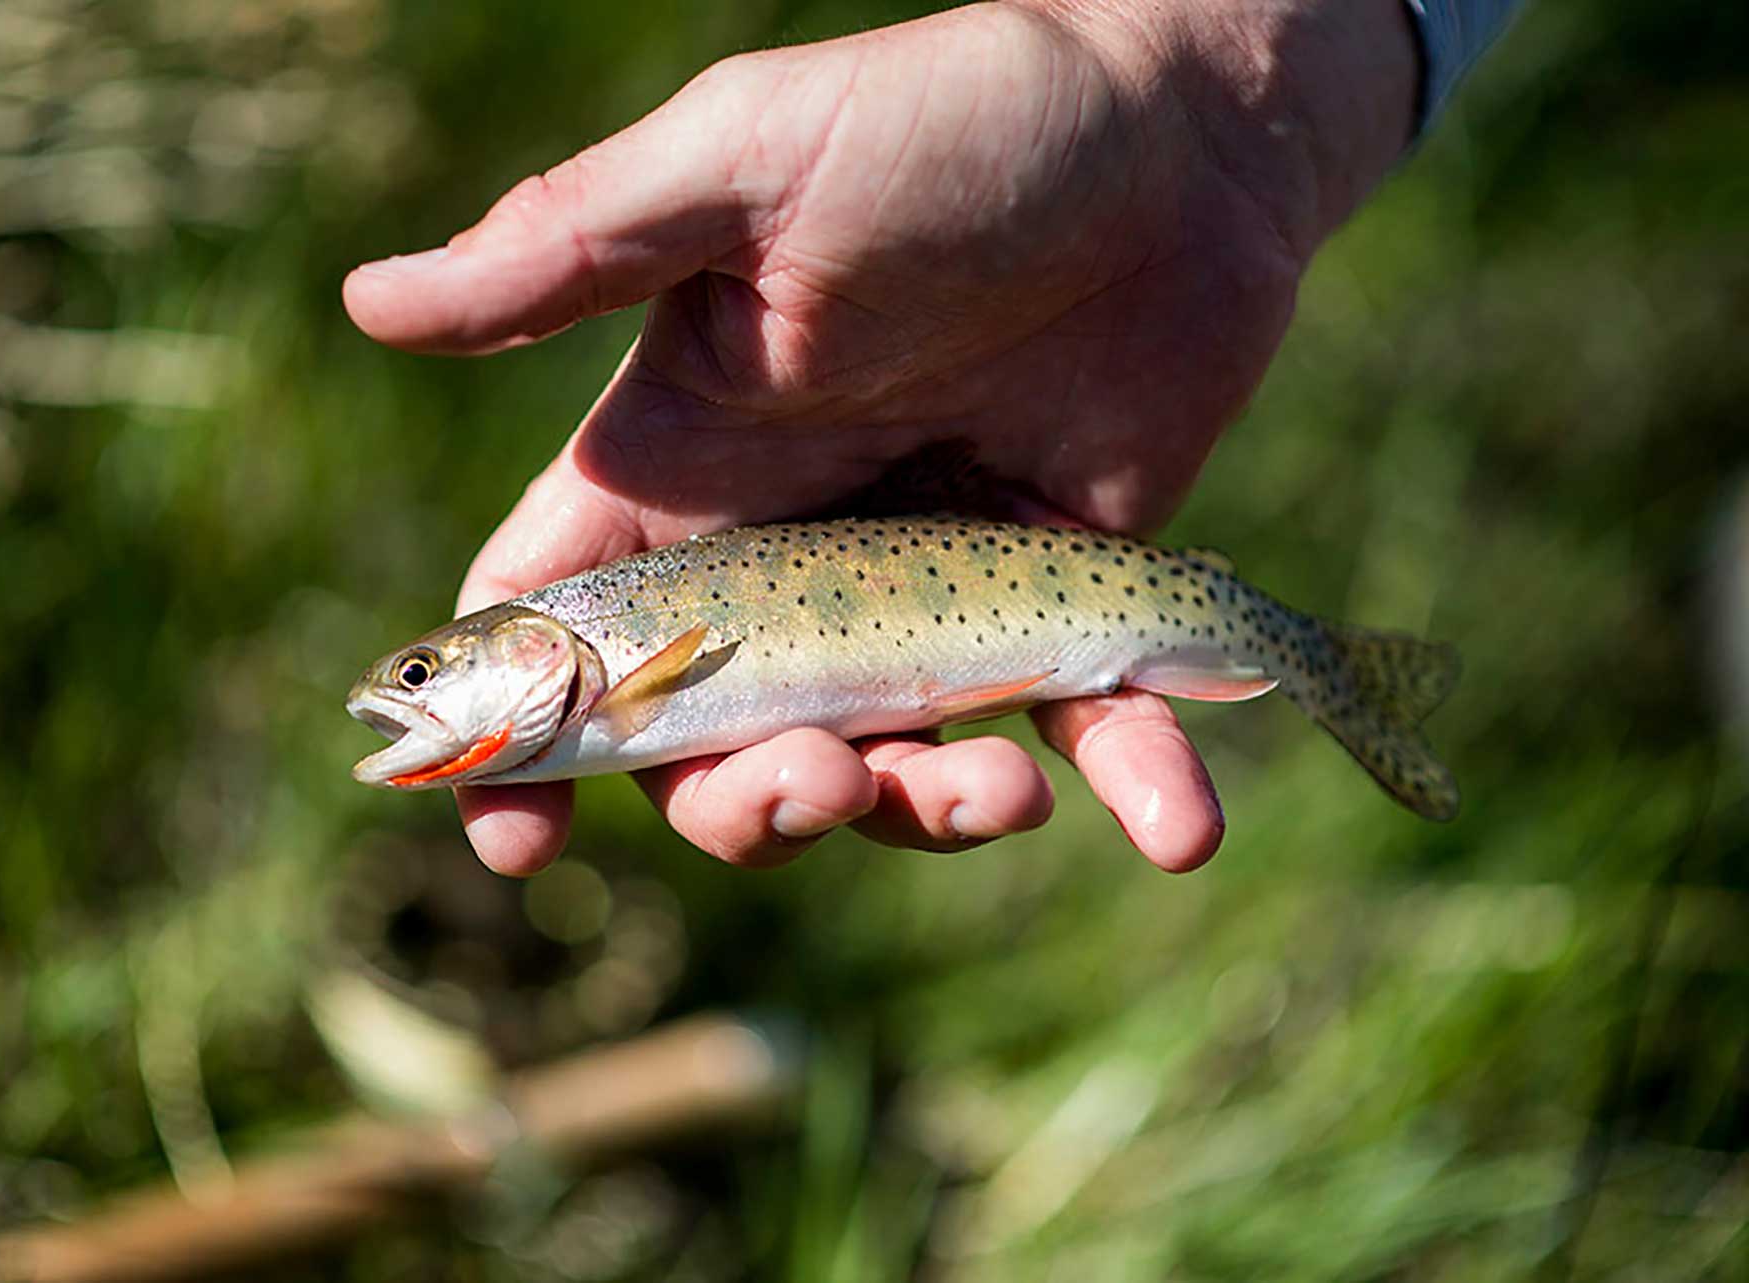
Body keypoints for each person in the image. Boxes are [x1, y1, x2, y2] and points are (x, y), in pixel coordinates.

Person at [342, 0, 1517, 878]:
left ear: (529, 649)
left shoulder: (603, 662)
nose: (400, 695)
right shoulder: (599, 682)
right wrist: (1218, 97)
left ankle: (1324, 661)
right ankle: (1330, 661)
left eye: (419, 675)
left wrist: (1189, 88)